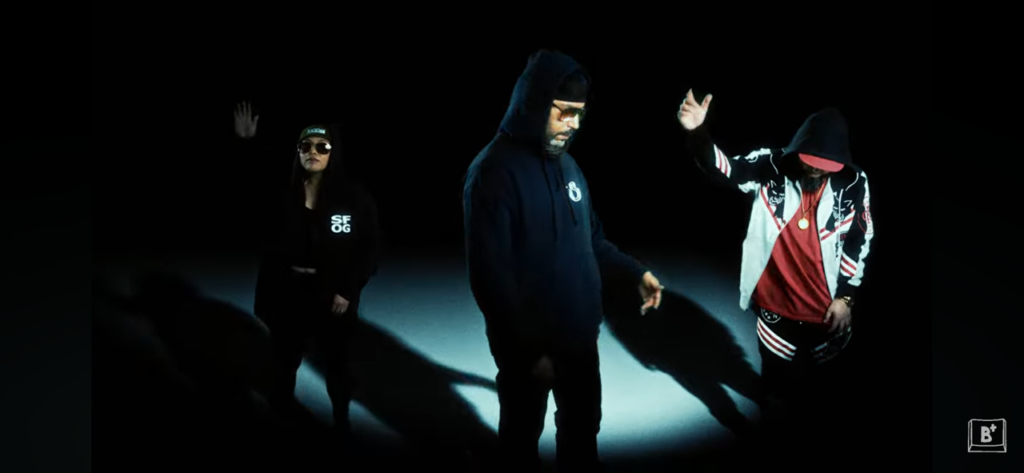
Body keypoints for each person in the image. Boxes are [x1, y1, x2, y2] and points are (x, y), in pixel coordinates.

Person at [462, 49, 665, 472]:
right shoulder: (493, 173)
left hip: (579, 341)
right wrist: (527, 353)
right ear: (533, 104)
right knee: (520, 442)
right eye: (564, 112)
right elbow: (490, 278)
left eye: (580, 114)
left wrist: (636, 273)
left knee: (582, 434)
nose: (573, 124)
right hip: (529, 350)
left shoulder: (570, 167)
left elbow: (592, 240)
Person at [676, 91, 873, 452]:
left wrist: (846, 298)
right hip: (776, 308)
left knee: (824, 395)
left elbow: (859, 239)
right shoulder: (771, 164)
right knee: (775, 392)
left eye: (824, 165)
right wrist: (698, 133)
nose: (815, 170)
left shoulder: (854, 182)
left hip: (827, 311)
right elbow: (726, 171)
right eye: (810, 162)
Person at [248, 119, 382, 450]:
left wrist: (347, 290)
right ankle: (281, 421)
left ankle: (341, 422)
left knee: (336, 363)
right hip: (288, 290)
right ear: (297, 152)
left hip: (331, 293)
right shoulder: (283, 193)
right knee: (283, 361)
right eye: (306, 146)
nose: (313, 152)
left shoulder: (353, 198)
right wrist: (248, 142)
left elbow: (369, 248)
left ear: (333, 153)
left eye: (322, 146)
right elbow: (250, 184)